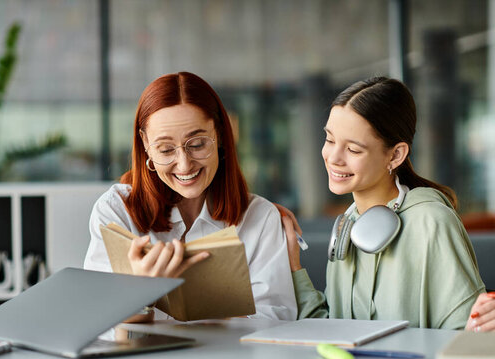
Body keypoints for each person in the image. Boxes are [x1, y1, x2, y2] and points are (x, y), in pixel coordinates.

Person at [84, 71, 298, 320]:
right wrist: (139, 296)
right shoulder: (116, 211)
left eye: (197, 144)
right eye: (165, 149)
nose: (184, 165)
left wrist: (215, 314)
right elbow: (98, 321)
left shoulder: (259, 217)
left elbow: (277, 320)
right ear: (145, 144)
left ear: (218, 133)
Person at [280, 76, 486, 329]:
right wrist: (293, 265)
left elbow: (465, 338)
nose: (333, 158)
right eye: (330, 140)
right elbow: (333, 333)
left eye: (353, 150)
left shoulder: (431, 222)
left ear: (396, 154)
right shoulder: (349, 224)